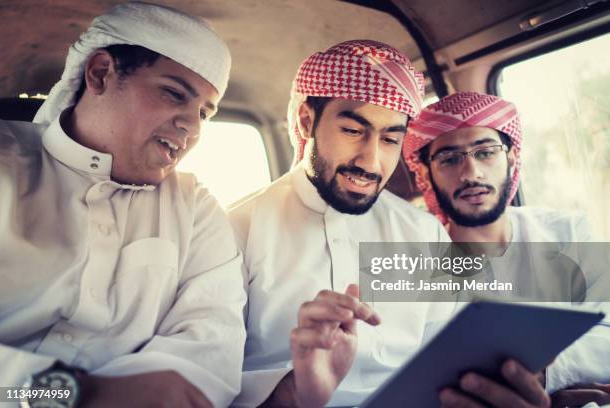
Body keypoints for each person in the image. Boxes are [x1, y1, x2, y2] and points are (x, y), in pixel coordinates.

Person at [229, 41, 549, 408]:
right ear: (306, 121)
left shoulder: (422, 232)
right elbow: (208, 387)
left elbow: (449, 359)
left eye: (390, 139)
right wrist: (295, 392)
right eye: (353, 131)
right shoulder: (236, 231)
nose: (372, 161)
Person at [0, 2, 246, 407]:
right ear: (100, 74)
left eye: (205, 112)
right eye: (173, 94)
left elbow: (209, 353)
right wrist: (72, 394)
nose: (193, 126)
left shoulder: (195, 209)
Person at [404, 91, 610, 407]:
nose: (471, 173)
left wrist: (547, 378)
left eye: (485, 152)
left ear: (511, 158)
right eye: (449, 159)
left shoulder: (569, 231)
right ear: (426, 174)